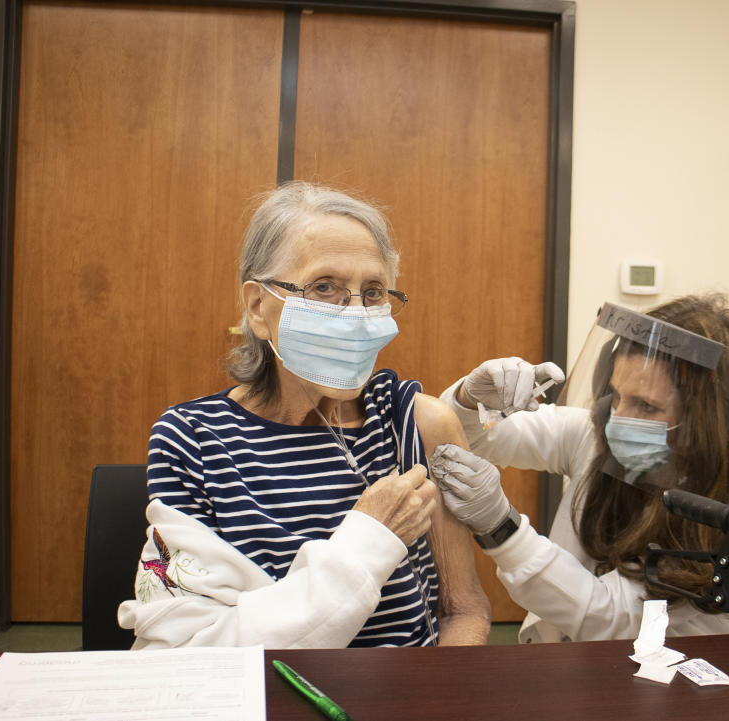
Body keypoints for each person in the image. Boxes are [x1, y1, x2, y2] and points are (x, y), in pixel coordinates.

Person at [118, 181, 491, 649]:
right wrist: (369, 536)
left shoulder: (417, 425)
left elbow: (465, 610)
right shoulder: (192, 439)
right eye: (324, 287)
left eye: (373, 291)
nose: (355, 313)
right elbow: (193, 646)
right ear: (258, 307)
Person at [431, 294, 729, 643]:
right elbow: (474, 436)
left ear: (702, 420)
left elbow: (611, 618)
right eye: (617, 396)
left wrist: (501, 528)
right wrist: (469, 399)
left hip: (700, 675)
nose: (619, 420)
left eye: (646, 407)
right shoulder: (595, 437)